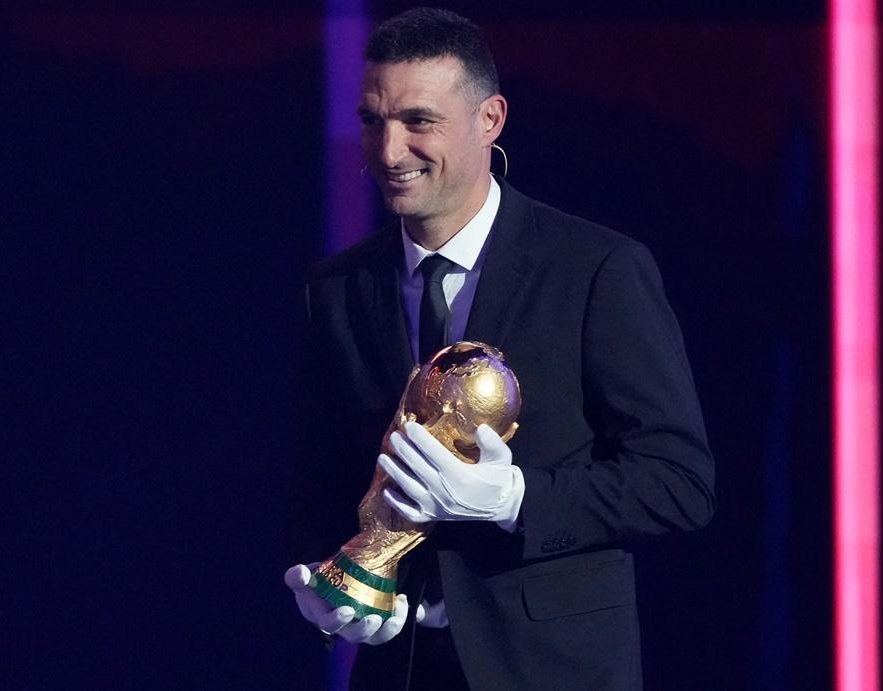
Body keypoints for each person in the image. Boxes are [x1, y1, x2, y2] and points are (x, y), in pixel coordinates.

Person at [285, 7, 714, 690]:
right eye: (373, 121)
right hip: (399, 672)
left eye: (418, 121)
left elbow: (678, 482)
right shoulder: (336, 288)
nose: (390, 150)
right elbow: (319, 476)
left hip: (554, 669)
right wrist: (326, 579)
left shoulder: (595, 268)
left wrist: (514, 498)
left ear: (491, 119)